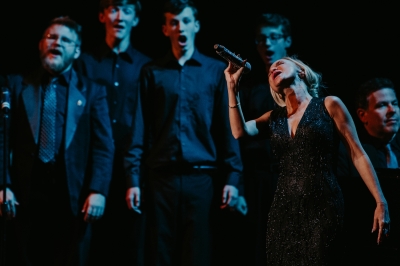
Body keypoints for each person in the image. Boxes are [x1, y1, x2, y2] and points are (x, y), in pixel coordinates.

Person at [223, 56, 390, 265]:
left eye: (280, 64)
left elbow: (357, 153)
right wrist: (232, 87)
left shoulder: (329, 105)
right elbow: (239, 131)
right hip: (283, 211)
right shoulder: (274, 117)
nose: (273, 68)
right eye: (270, 70)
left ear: (301, 71)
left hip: (323, 206)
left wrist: (380, 200)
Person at [126, 0, 243, 265]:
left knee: (198, 253)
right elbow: (140, 128)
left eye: (186, 21)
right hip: (161, 179)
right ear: (165, 29)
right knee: (160, 254)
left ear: (196, 26)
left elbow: (226, 128)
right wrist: (133, 178)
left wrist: (233, 178)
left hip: (201, 179)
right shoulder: (152, 72)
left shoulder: (214, 71)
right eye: (174, 22)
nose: (181, 27)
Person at [0, 16, 114, 265]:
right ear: (41, 44)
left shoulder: (93, 91)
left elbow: (103, 147)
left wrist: (98, 190)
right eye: (51, 37)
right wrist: (3, 184)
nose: (57, 43)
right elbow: (2, 140)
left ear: (76, 51)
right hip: (27, 197)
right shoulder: (16, 85)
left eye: (66, 40)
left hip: (73, 200)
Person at [74, 1, 150, 264]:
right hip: (92, 167)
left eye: (127, 10)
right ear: (102, 15)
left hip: (133, 167)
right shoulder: (84, 62)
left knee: (130, 244)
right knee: (89, 244)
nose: (119, 16)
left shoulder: (145, 66)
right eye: (114, 9)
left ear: (136, 19)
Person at [237, 13, 292, 266]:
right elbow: (236, 140)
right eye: (262, 39)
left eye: (274, 37)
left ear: (287, 40)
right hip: (258, 182)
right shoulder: (248, 87)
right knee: (259, 248)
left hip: (293, 179)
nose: (268, 44)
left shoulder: (301, 83)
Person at [337, 77, 400, 265]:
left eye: (395, 103)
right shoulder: (350, 153)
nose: (392, 110)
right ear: (363, 115)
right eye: (382, 105)